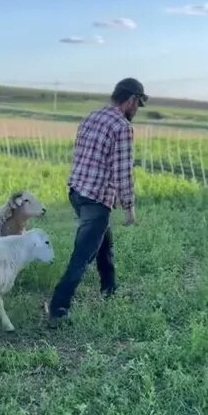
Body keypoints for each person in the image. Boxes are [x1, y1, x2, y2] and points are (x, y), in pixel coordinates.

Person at [44, 78, 145, 325]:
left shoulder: (92, 116)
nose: (137, 110)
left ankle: (109, 289)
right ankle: (58, 308)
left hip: (77, 191)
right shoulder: (122, 126)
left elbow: (81, 153)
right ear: (131, 100)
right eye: (138, 104)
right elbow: (122, 171)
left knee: (103, 243)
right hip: (96, 199)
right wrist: (130, 207)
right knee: (82, 255)